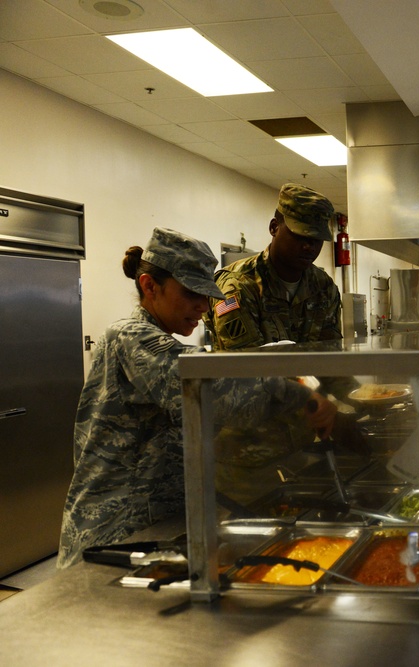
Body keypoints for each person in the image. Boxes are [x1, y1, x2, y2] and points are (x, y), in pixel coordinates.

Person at [58, 228, 337, 568]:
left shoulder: (162, 340)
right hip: (113, 534)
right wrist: (303, 397)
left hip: (153, 524)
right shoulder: (131, 337)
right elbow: (216, 397)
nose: (203, 307)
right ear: (149, 285)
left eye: (207, 295)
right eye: (192, 293)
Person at [204, 183, 342, 350]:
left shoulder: (324, 287)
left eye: (316, 239)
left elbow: (330, 355)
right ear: (274, 227)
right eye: (300, 236)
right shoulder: (237, 286)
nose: (309, 247)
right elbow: (246, 366)